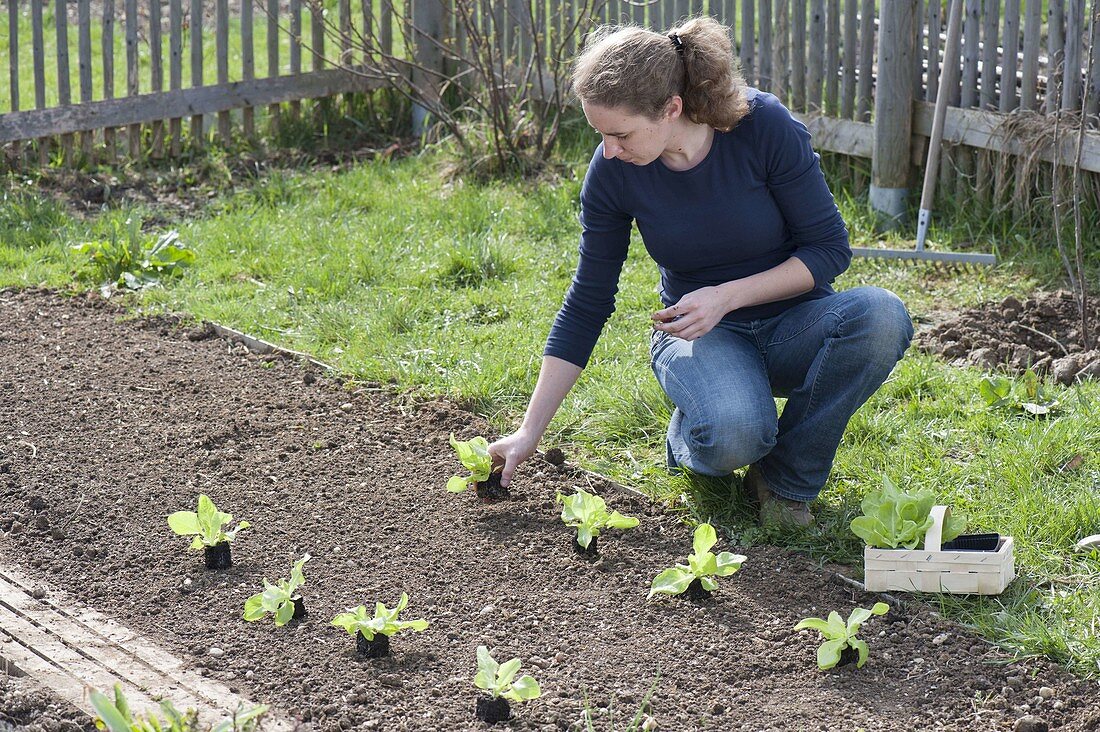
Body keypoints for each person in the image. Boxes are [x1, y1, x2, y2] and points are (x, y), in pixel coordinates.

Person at [488, 17, 913, 526]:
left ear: (671, 108)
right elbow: (588, 301)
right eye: (600, 134)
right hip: (697, 335)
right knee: (734, 433)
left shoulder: (763, 127)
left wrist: (726, 296)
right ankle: (698, 430)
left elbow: (828, 249)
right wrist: (528, 432)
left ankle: (784, 482)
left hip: (793, 325)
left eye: (620, 134)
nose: (608, 150)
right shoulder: (613, 174)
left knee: (881, 315)